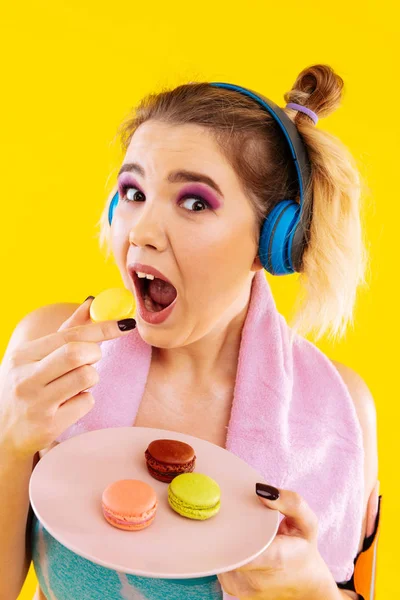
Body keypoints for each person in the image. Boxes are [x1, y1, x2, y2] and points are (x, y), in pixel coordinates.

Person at [0, 64, 380, 600]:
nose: (142, 232)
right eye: (133, 192)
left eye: (194, 202)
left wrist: (314, 593)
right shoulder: (51, 352)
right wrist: (9, 444)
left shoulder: (342, 411)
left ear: (272, 241)